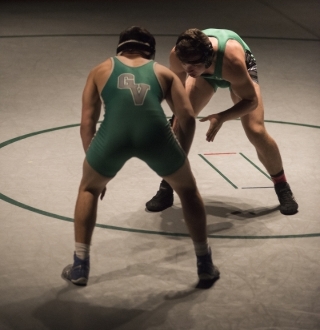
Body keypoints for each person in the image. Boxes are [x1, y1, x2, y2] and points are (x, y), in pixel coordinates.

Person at [62, 26, 220, 286]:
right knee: (188, 191)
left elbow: (87, 123)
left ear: (120, 49)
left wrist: (94, 163)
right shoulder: (164, 73)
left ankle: (80, 266)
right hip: (156, 137)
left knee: (88, 189)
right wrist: (182, 154)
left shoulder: (99, 70)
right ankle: (204, 264)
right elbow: (188, 117)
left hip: (113, 138)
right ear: (150, 52)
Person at [146, 28, 298, 216]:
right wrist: (178, 116)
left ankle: (282, 187)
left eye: (193, 64)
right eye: (185, 64)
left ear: (208, 58)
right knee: (180, 124)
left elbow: (251, 101)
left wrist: (222, 117)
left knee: (255, 130)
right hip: (207, 73)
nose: (188, 69)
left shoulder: (232, 62)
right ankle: (166, 187)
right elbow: (176, 93)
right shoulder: (178, 56)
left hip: (235, 70)